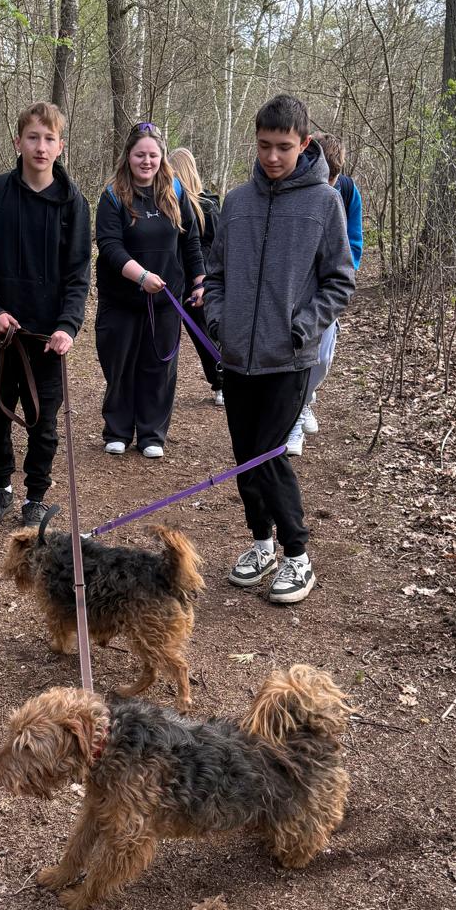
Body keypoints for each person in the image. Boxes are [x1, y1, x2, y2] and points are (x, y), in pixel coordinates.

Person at [202, 94, 355, 605]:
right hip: (236, 358)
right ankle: (261, 544)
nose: (272, 156)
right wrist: (220, 322)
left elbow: (340, 280)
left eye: (283, 147)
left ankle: (298, 555)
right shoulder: (237, 202)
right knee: (246, 457)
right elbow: (216, 274)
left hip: (289, 359)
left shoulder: (324, 203)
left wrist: (302, 328)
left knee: (269, 454)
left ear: (304, 144)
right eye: (264, 145)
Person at [0, 102, 92, 525]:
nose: (40, 147)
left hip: (46, 341)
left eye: (49, 139)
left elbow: (78, 274)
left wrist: (67, 326)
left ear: (60, 146)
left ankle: (35, 496)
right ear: (18, 142)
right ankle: (1, 487)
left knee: (44, 423)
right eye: (33, 137)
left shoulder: (74, 204)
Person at [94, 123, 205, 459]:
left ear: (162, 157)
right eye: (140, 155)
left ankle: (151, 433)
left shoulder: (175, 192)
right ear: (128, 156)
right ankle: (117, 430)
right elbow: (110, 247)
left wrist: (200, 280)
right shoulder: (113, 195)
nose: (146, 161)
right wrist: (140, 276)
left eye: (153, 155)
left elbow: (190, 240)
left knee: (158, 367)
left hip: (166, 300)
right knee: (120, 366)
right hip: (121, 299)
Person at [286, 131, 363, 455]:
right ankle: (293, 419)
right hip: (293, 284)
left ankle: (306, 399)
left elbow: (354, 243)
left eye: (332, 179)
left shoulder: (347, 191)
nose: (327, 186)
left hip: (326, 286)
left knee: (323, 356)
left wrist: (340, 277)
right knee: (293, 350)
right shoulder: (294, 187)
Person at [169, 146, 223, 406]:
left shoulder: (207, 207)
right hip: (175, 279)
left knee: (206, 334)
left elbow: (215, 248)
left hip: (200, 282)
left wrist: (204, 281)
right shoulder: (171, 206)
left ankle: (222, 381)